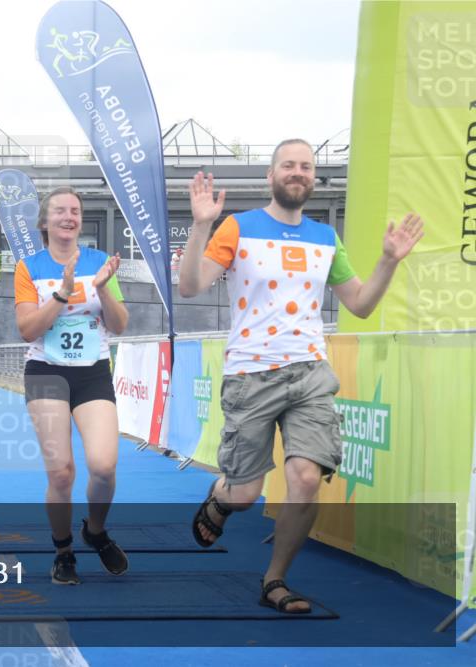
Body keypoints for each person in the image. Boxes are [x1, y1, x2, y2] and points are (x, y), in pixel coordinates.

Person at [179, 139, 424, 614]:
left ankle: (275, 580)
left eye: (306, 167)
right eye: (288, 165)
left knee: (306, 479)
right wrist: (201, 225)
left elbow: (361, 304)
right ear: (271, 176)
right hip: (251, 373)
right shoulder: (238, 226)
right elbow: (191, 286)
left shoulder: (325, 238)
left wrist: (389, 261)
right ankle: (220, 499)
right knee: (248, 493)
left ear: (314, 179)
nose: (298, 172)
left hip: (311, 372)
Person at [14, 186, 129, 585]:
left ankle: (95, 530)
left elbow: (119, 324)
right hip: (46, 372)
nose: (69, 217)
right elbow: (28, 329)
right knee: (61, 473)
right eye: (60, 211)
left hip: (92, 372)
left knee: (103, 466)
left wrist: (100, 288)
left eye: (75, 211)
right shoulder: (28, 268)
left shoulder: (101, 263)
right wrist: (61, 293)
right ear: (44, 222)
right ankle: (63, 550)